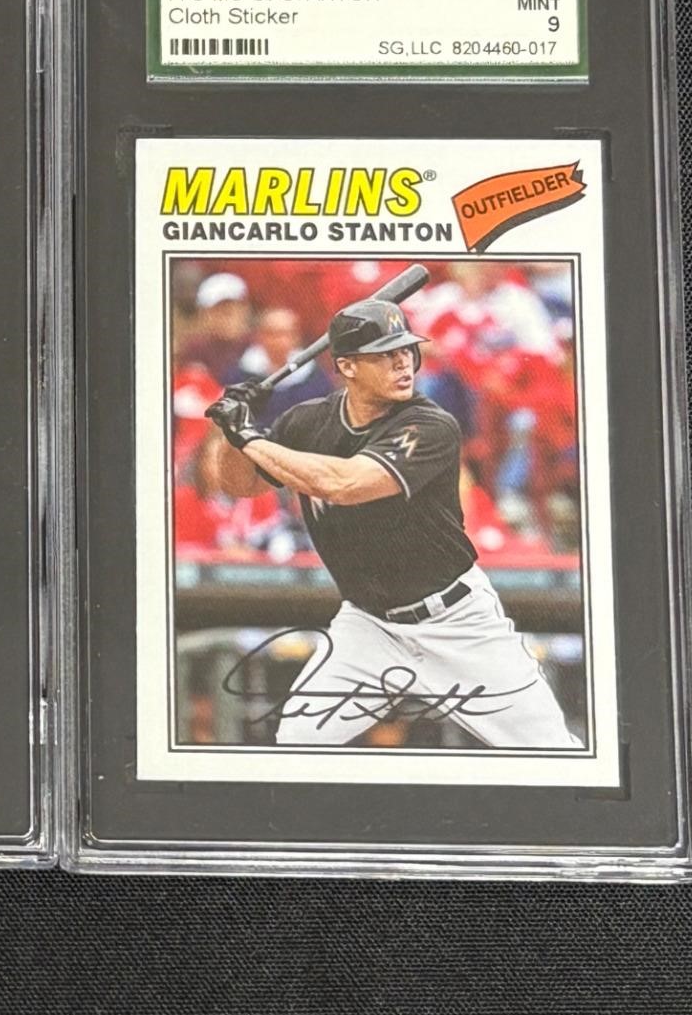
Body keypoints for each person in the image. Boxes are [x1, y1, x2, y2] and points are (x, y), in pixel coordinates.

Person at [199, 294, 576, 748]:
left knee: (550, 753)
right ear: (347, 366)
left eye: (406, 351)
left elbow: (344, 483)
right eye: (385, 355)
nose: (403, 363)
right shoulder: (308, 423)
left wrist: (252, 438)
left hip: (457, 622)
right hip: (369, 626)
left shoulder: (430, 425)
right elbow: (240, 484)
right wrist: (232, 434)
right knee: (298, 745)